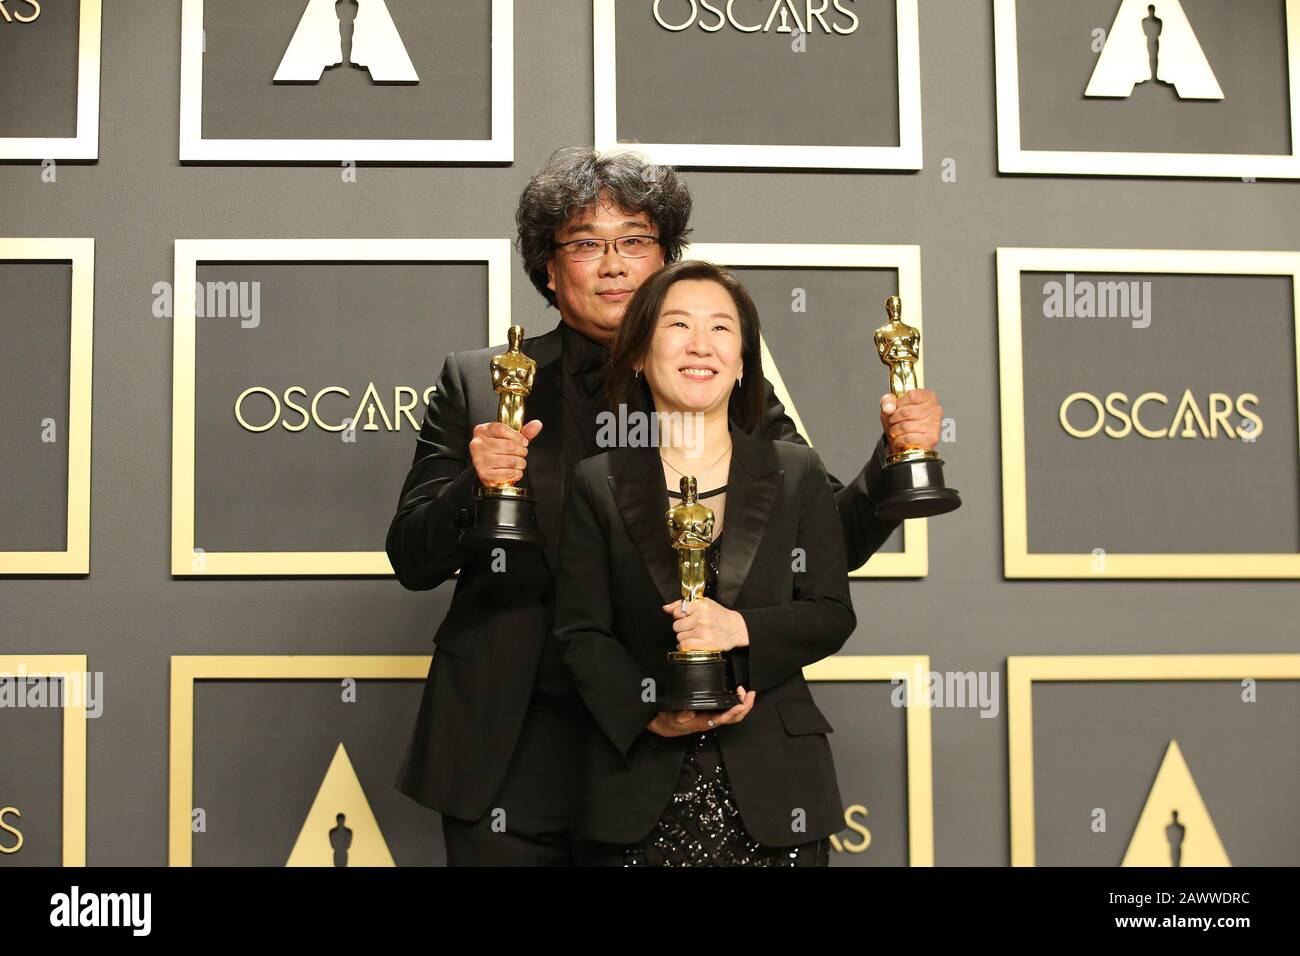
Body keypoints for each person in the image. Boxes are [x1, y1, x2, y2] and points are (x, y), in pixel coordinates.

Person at [385, 146, 944, 866]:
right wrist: (475, 479)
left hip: (672, 742)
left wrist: (896, 460)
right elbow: (411, 556)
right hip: (518, 740)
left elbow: (824, 544)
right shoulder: (482, 382)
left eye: (636, 242)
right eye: (587, 244)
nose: (614, 264)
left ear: (668, 260)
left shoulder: (724, 384)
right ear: (548, 272)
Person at [554, 260, 854, 866]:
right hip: (636, 791)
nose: (701, 344)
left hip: (778, 790)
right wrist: (651, 713)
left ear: (744, 362)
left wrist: (739, 629)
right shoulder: (597, 482)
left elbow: (829, 613)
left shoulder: (796, 472)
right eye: (678, 324)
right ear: (638, 352)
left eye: (722, 328)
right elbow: (580, 633)